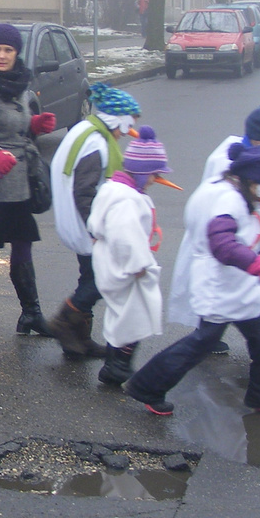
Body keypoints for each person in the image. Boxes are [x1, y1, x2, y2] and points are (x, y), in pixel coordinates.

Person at [125, 144, 260, 416]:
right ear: (251, 181)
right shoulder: (229, 201)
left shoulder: (224, 189)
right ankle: (147, 385)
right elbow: (222, 244)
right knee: (202, 343)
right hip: (224, 287)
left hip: (235, 286)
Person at [188, 105, 260, 356]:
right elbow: (225, 208)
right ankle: (204, 339)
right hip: (225, 242)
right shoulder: (226, 160)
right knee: (225, 302)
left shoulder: (251, 155)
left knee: (245, 309)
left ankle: (211, 337)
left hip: (240, 242)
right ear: (259, 137)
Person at [0, 23, 55, 335]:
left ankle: (30, 313)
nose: (2, 56)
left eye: (8, 50)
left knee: (23, 242)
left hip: (18, 182)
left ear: (17, 52)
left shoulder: (19, 81)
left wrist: (34, 124)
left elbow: (14, 124)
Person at [46, 82, 142, 359]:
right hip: (88, 227)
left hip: (78, 223)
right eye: (128, 124)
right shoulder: (97, 144)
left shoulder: (86, 129)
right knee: (101, 279)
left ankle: (77, 340)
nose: (128, 131)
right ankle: (65, 319)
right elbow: (84, 191)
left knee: (89, 276)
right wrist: (97, 227)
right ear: (117, 119)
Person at [90, 127, 181, 386]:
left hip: (110, 261)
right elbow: (125, 236)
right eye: (154, 174)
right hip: (125, 267)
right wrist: (139, 264)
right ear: (141, 172)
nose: (155, 179)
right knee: (133, 316)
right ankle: (118, 365)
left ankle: (115, 363)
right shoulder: (127, 201)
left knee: (122, 315)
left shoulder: (113, 190)